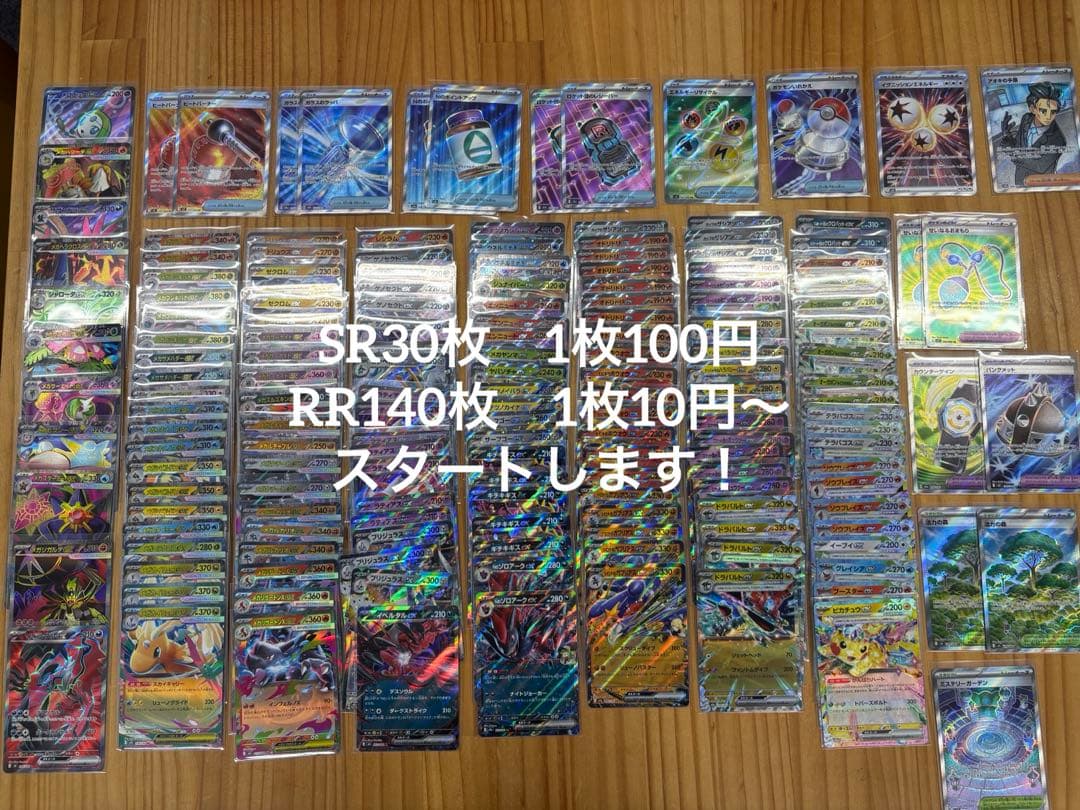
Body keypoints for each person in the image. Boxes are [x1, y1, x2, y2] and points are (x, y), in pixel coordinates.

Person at [999, 82, 1068, 184]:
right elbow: (1018, 145)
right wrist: (1007, 136)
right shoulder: (1026, 119)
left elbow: (1039, 166)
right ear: (1033, 109)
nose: (1048, 116)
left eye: (1053, 112)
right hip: (1020, 178)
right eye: (1043, 111)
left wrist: (1011, 152)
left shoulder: (1059, 140)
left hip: (1041, 184)